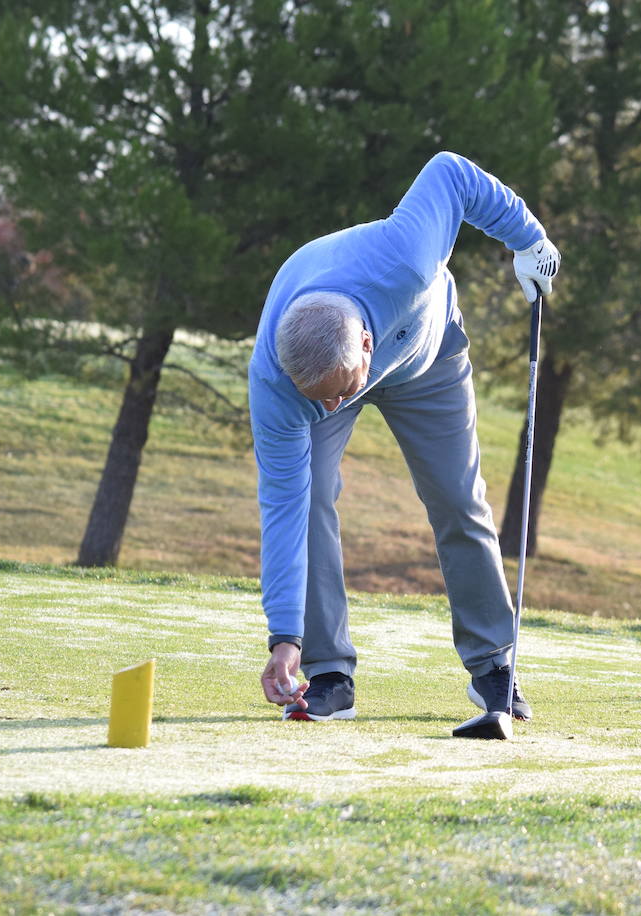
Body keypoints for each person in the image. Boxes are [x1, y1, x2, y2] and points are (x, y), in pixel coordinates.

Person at [248, 151, 560, 726]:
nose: (332, 409)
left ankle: (494, 665)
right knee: (311, 495)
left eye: (339, 393)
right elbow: (284, 509)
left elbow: (451, 172)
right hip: (332, 361)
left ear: (366, 345)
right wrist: (282, 636)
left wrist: (529, 240)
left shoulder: (407, 256)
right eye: (321, 398)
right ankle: (327, 672)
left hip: (427, 352)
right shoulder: (280, 385)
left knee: (457, 497)